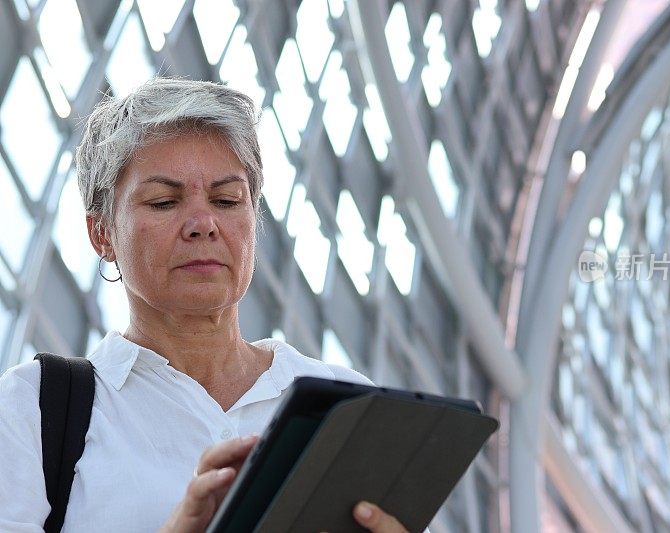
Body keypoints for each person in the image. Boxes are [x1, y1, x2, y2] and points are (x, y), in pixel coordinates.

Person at [0, 78, 409, 532]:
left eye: (226, 199)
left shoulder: (348, 403)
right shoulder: (32, 409)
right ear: (102, 234)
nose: (202, 224)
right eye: (163, 201)